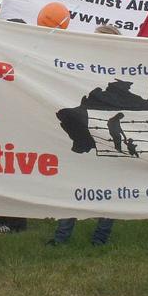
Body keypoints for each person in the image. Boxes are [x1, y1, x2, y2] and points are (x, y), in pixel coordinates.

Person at [47, 24, 122, 247]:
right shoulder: (82, 65)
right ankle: (62, 237)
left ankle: (100, 238)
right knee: (74, 183)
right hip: (84, 134)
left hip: (108, 136)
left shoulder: (121, 71)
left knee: (110, 189)